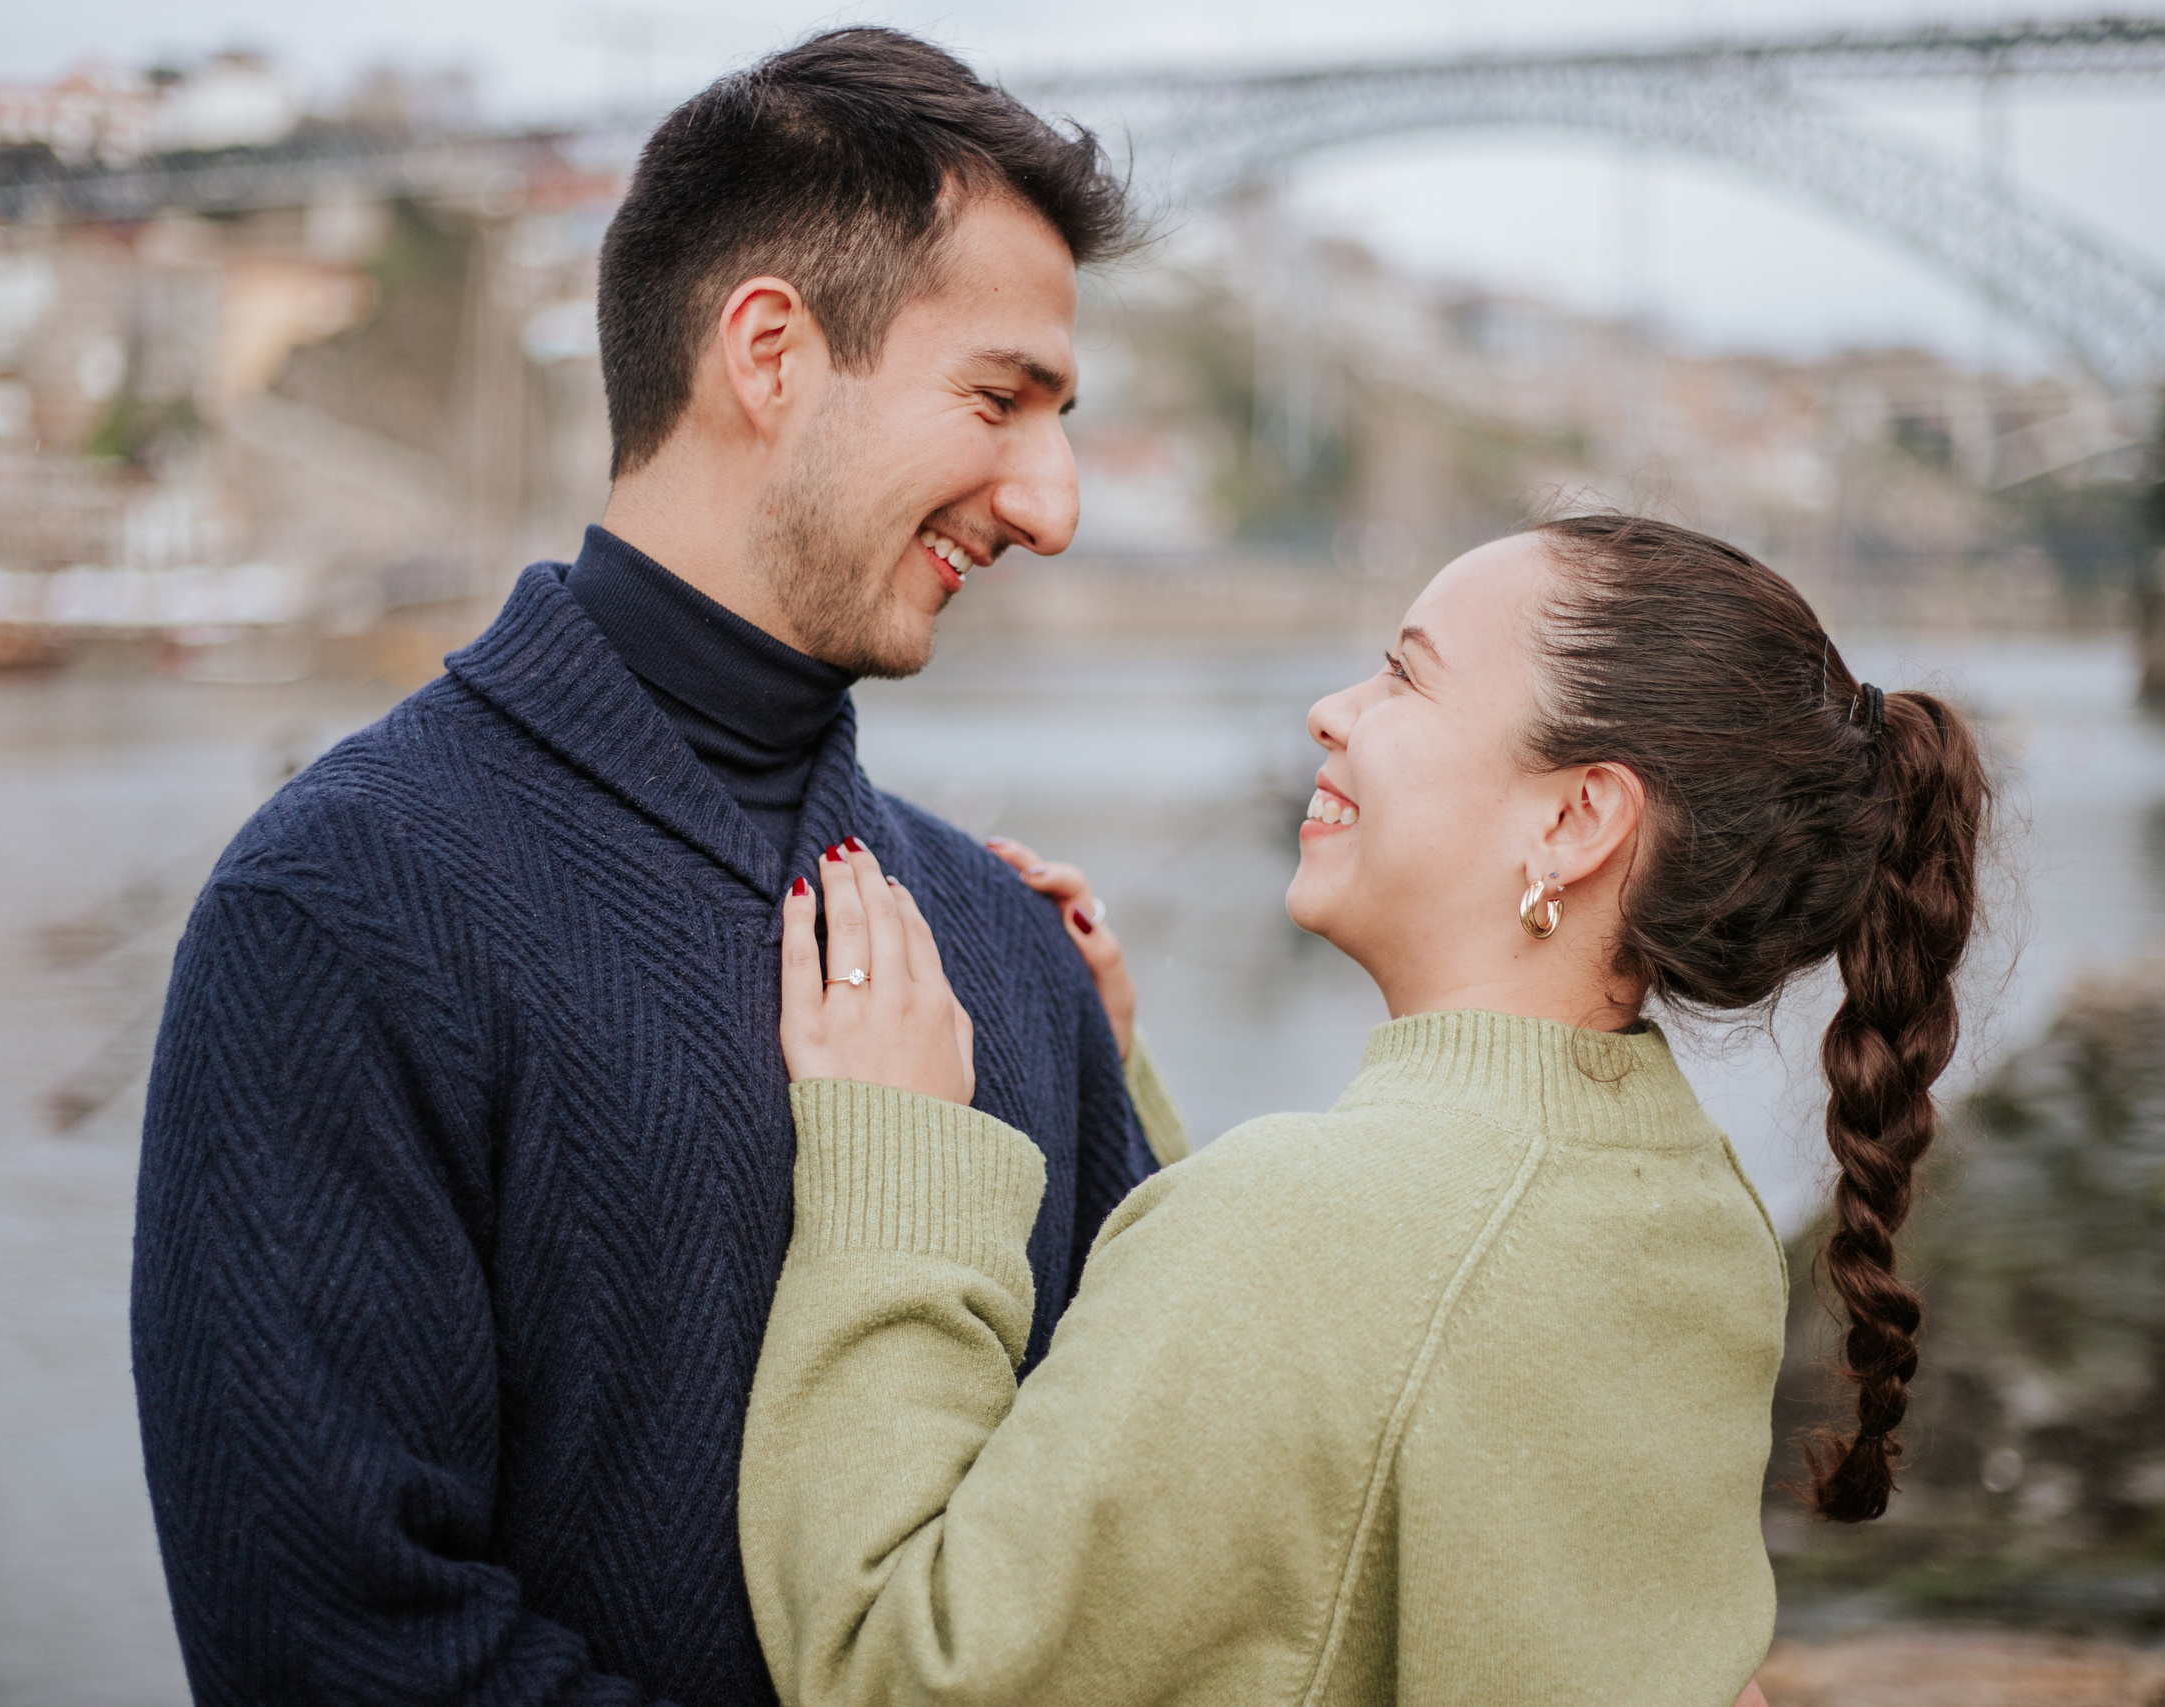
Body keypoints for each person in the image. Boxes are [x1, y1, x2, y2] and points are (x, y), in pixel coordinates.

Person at [131, 29, 1152, 1707]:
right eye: (997, 400)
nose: (1052, 504)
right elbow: (334, 1650)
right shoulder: (338, 907)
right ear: (770, 354)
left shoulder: (1006, 944)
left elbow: (1123, 1554)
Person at [739, 515, 1991, 1704]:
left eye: (1403, 677)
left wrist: (902, 1165)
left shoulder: (1312, 1233)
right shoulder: (1686, 1200)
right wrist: (1119, 1087)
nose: (1331, 713)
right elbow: (1379, 1428)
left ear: (1574, 819)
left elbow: (893, 1667)